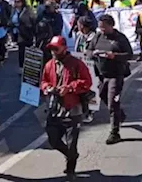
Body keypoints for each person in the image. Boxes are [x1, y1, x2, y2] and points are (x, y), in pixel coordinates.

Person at [41, 36, 92, 180]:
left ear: (64, 48)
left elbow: (86, 82)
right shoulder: (49, 64)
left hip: (72, 108)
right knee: (53, 139)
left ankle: (71, 170)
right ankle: (71, 156)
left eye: (55, 49)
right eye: (51, 49)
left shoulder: (76, 64)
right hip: (54, 108)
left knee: (71, 143)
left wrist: (69, 88)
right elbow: (43, 81)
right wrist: (47, 87)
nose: (53, 52)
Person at [87, 14, 132, 145]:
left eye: (104, 27)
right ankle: (119, 114)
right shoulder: (98, 36)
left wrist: (115, 56)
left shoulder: (120, 38)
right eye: (100, 27)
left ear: (111, 26)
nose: (101, 30)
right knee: (102, 96)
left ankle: (114, 132)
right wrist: (93, 54)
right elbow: (89, 50)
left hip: (116, 75)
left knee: (112, 102)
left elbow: (129, 54)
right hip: (101, 75)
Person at [74, 16, 98, 123]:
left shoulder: (94, 36)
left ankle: (90, 112)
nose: (77, 26)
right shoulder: (79, 36)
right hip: (80, 65)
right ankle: (84, 110)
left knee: (92, 90)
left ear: (83, 26)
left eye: (79, 24)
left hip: (92, 66)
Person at [12, 0, 35, 74]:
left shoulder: (27, 10)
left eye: (18, 2)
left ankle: (29, 67)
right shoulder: (14, 11)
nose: (16, 3)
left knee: (27, 50)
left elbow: (32, 20)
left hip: (27, 32)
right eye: (15, 2)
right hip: (18, 33)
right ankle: (21, 67)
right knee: (21, 51)